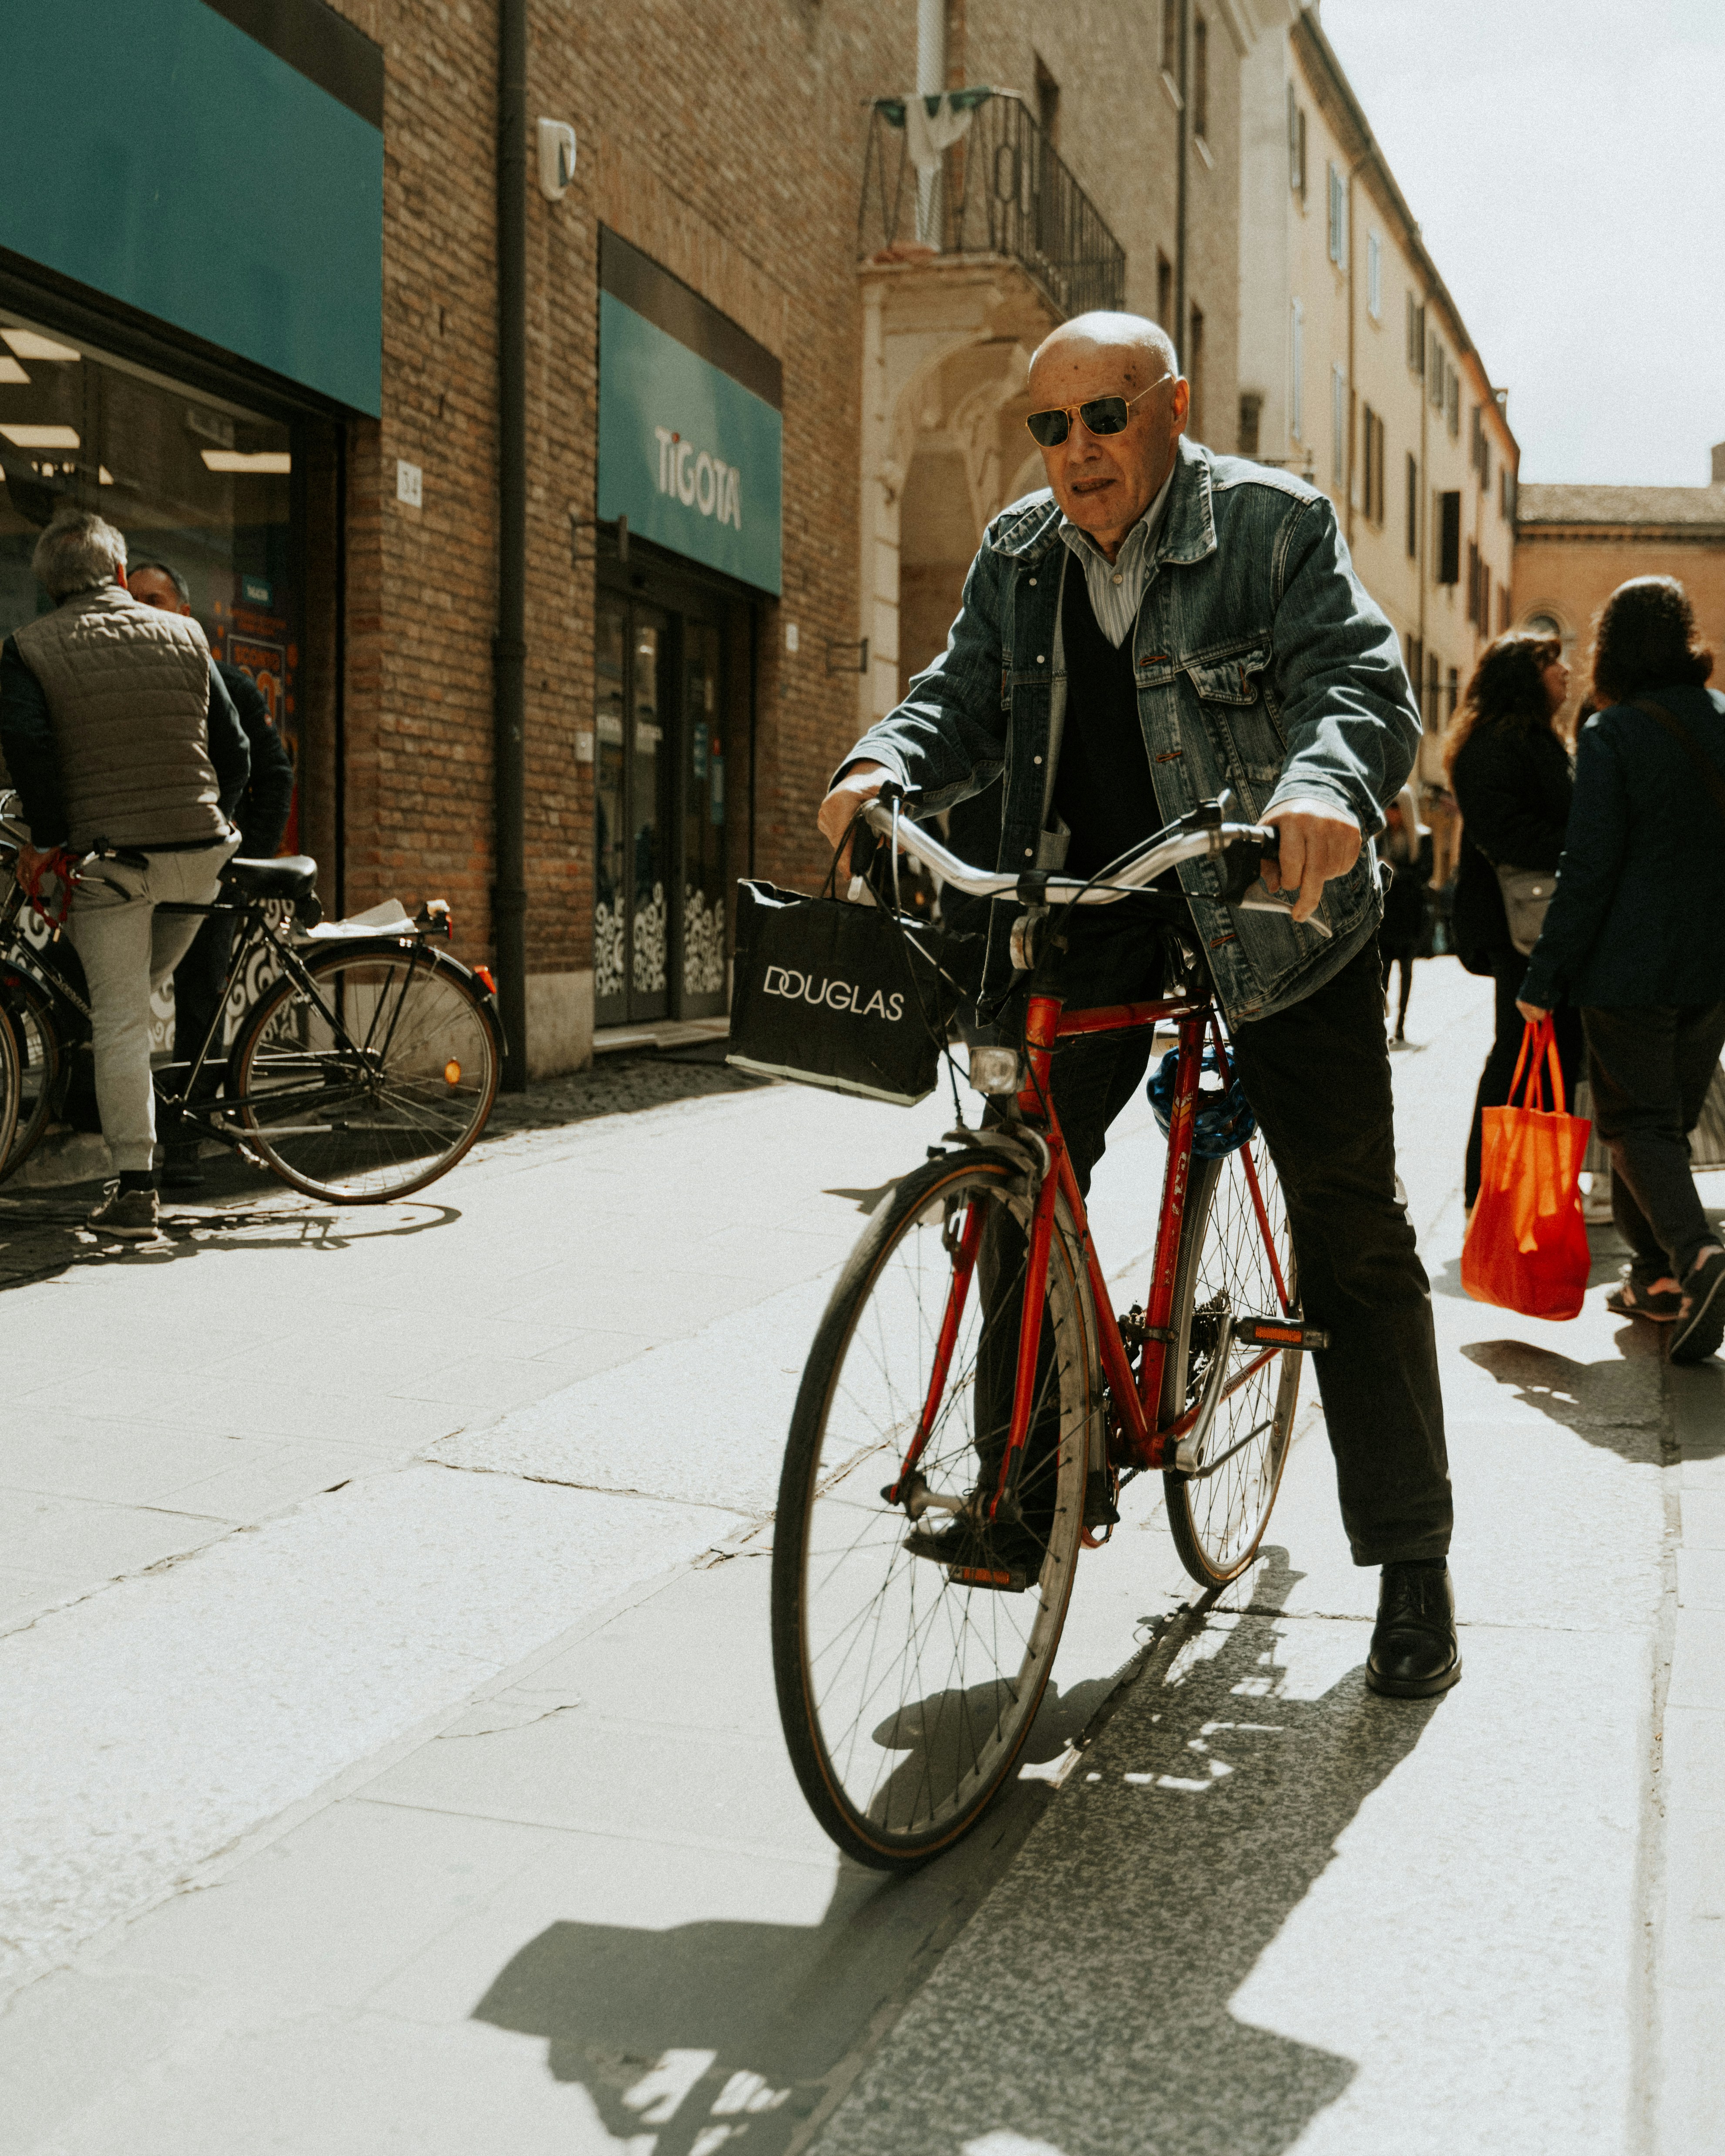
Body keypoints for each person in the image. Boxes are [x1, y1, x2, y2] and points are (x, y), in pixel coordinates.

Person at [817, 311, 1460, 1699]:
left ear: (1170, 406)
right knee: (1019, 1173)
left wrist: (1318, 789)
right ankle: (1026, 1485)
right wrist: (884, 766)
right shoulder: (1018, 554)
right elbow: (960, 697)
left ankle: (1414, 1564)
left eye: (1104, 417)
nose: (1076, 453)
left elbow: (1361, 682)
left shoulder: (1272, 527)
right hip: (1092, 905)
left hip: (1272, 912)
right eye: (1050, 427)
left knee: (1351, 1229)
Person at [0, 510, 248, 1239]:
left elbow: (31, 753)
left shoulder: (25, 648)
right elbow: (232, 754)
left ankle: (137, 1191)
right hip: (200, 856)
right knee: (133, 1000)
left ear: (48, 587)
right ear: (117, 574)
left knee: (117, 1019)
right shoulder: (188, 636)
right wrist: (209, 820)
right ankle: (169, 1127)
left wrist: (45, 843)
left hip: (111, 865)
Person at [1516, 577, 1725, 1365]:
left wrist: (1543, 980)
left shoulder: (1609, 733)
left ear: (1610, 644)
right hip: (1710, 965)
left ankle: (1696, 1255)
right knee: (1660, 1124)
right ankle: (1654, 1276)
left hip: (1629, 966)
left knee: (1634, 1125)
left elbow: (1588, 868)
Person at [126, 559, 295, 1187]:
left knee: (200, 1005)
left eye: (156, 600)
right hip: (137, 866)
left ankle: (185, 1147)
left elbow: (273, 775)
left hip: (211, 872)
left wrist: (247, 864)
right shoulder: (126, 687)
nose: (143, 610)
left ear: (184, 613)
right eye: (132, 599)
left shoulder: (225, 683)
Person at [1446, 631, 1584, 1212]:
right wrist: (1585, 847)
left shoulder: (1533, 739)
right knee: (1519, 1051)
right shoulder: (1496, 744)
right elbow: (1505, 832)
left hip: (1537, 918)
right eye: (1551, 662)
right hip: (1518, 923)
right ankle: (1491, 1192)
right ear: (1522, 676)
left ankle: (1529, 1186)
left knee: (1554, 1050)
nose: (1566, 671)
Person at [1379, 786, 1431, 1044]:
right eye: (1388, 807)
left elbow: (1425, 874)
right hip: (1387, 915)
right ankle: (1383, 1025)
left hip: (1410, 914)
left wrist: (1395, 870)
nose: (1391, 813)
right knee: (1384, 972)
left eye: (1396, 807)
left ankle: (1401, 1026)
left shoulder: (1423, 839)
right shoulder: (1380, 839)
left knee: (1407, 971)